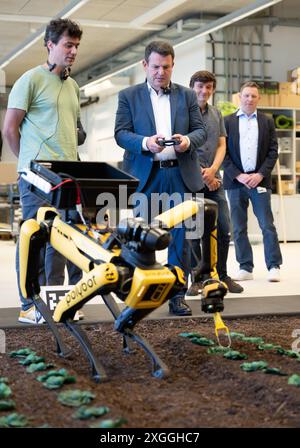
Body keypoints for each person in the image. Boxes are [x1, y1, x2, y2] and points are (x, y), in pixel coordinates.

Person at [115, 40, 207, 316]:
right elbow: (121, 133)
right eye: (155, 66)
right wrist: (145, 142)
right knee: (143, 237)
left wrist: (186, 142)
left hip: (180, 175)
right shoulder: (128, 96)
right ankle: (141, 293)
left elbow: (200, 131)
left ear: (173, 66)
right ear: (145, 65)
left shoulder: (187, 96)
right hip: (147, 176)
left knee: (181, 238)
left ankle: (177, 296)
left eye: (166, 67)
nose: (160, 72)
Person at [3, 18, 84, 323]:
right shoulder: (30, 80)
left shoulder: (73, 85)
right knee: (35, 238)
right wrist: (29, 164)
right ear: (50, 45)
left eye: (76, 45)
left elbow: (72, 130)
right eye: (67, 44)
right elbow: (10, 129)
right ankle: (29, 304)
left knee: (63, 240)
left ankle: (55, 301)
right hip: (36, 175)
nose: (73, 50)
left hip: (67, 174)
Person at [187, 71, 243, 295]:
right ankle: (198, 278)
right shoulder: (182, 114)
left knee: (224, 227)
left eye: (209, 87)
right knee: (194, 230)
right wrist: (201, 173)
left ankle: (222, 274)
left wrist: (212, 171)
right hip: (190, 180)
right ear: (192, 87)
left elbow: (222, 146)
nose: (204, 91)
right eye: (200, 86)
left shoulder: (216, 113)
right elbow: (183, 147)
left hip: (214, 180)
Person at [223, 81, 282, 282]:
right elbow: (223, 153)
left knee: (267, 224)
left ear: (258, 99)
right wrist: (238, 175)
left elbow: (273, 151)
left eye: (253, 96)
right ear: (240, 96)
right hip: (235, 182)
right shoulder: (227, 121)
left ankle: (274, 265)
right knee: (238, 227)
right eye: (246, 95)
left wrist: (260, 175)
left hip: (260, 181)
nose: (249, 99)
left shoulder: (267, 121)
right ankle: (245, 267)